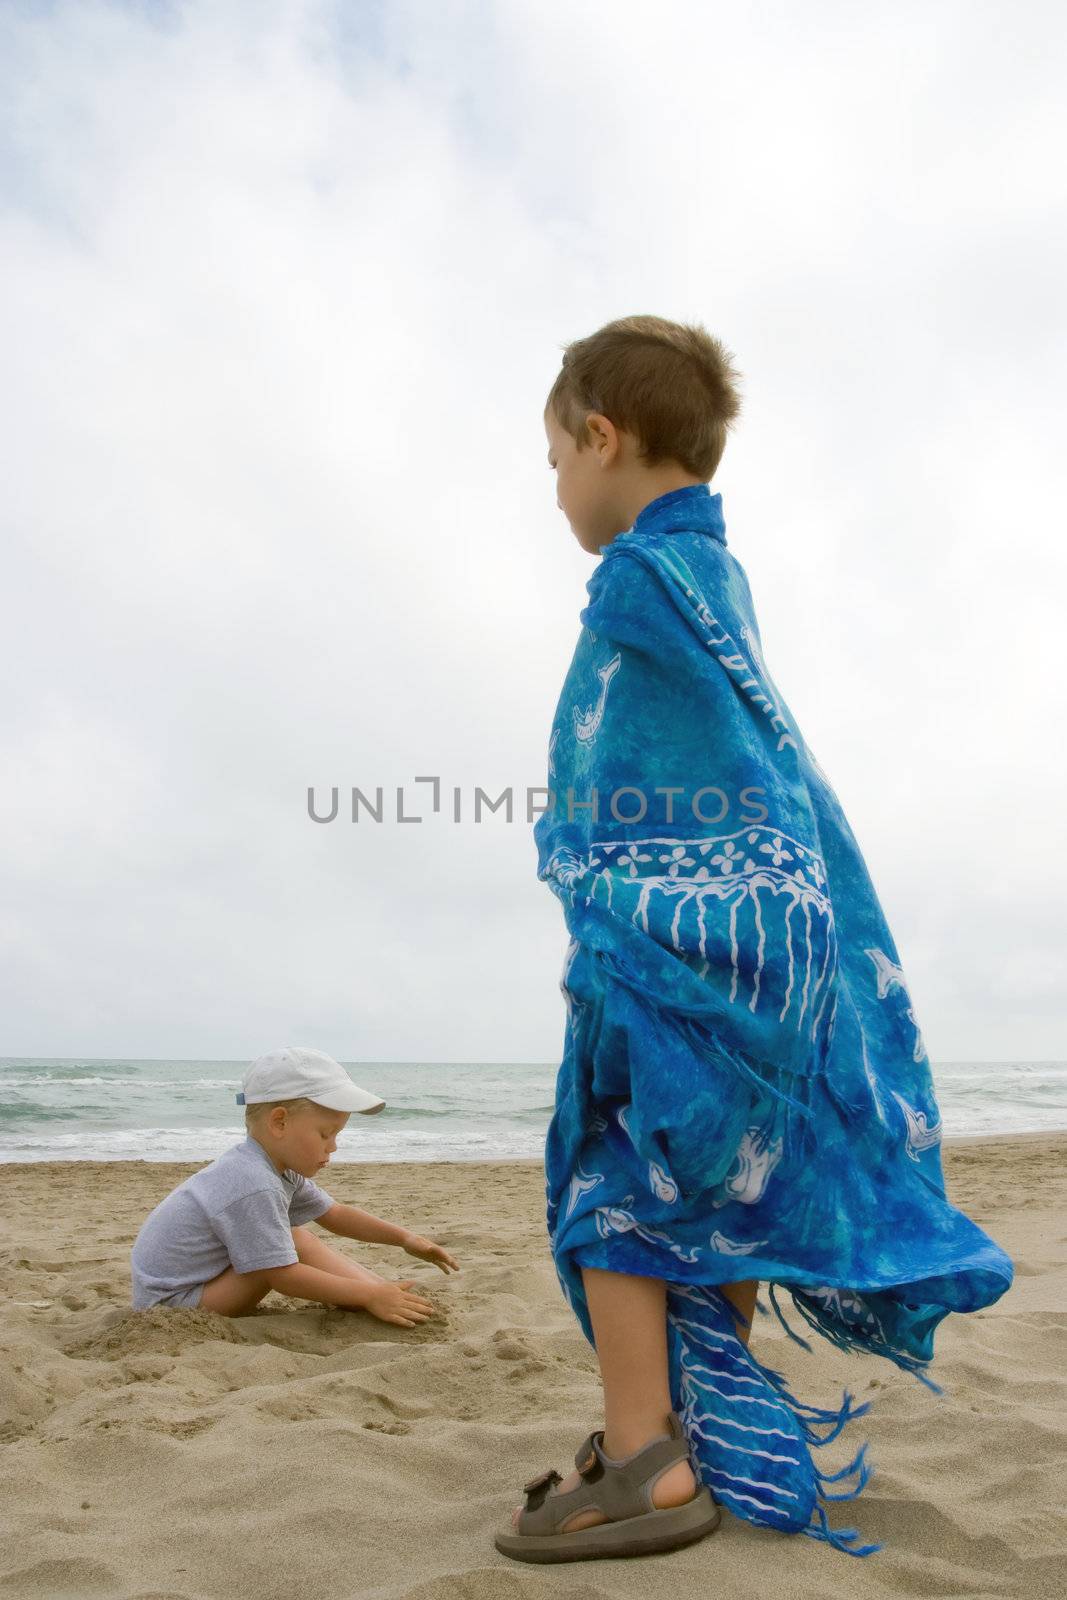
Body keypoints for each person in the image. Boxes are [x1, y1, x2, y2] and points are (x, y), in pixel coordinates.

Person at [494, 315, 1013, 1564]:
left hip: (687, 950)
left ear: (602, 437)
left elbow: (648, 774)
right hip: (775, 961)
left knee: (609, 1188)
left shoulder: (639, 584)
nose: (553, 480)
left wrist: (614, 884)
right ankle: (700, 1421)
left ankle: (644, 1460)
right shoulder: (714, 578)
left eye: (554, 452)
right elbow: (765, 775)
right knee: (719, 1188)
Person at [129, 1045, 458, 1322]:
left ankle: (385, 1291)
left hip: (203, 1283)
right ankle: (373, 1295)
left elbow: (335, 1213)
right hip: (175, 1305)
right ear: (280, 1122)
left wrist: (405, 1238)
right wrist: (366, 1295)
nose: (333, 1146)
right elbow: (282, 1275)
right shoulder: (254, 1181)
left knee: (292, 1235)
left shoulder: (273, 1167)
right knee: (283, 1246)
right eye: (325, 1134)